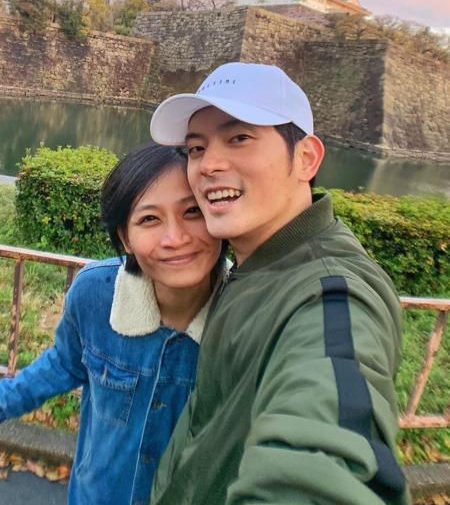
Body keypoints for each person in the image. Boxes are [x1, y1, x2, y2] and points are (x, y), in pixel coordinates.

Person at [149, 62, 411, 505]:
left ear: (305, 158)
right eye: (196, 148)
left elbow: (322, 456)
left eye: (239, 138)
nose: (208, 165)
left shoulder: (332, 294)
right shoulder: (253, 262)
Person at [0, 143, 225, 505]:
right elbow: (63, 364)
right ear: (125, 238)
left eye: (193, 211)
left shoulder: (251, 315)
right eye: (149, 219)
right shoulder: (96, 294)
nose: (176, 238)